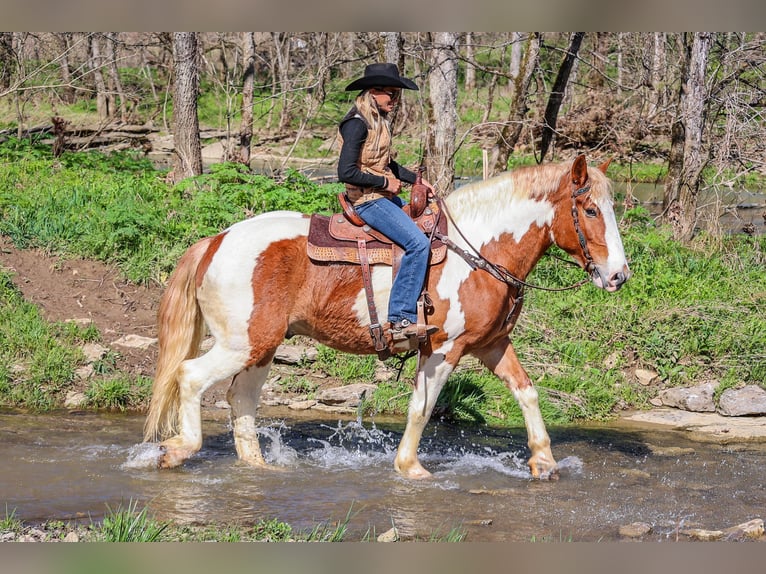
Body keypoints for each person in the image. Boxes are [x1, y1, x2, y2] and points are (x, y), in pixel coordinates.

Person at [337, 62, 437, 342]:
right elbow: (345, 172)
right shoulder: (356, 124)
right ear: (373, 92)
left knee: (432, 221)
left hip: (381, 194)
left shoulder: (376, 120)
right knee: (418, 244)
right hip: (367, 200)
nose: (395, 99)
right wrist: (384, 184)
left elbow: (385, 164)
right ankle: (400, 318)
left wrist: (415, 179)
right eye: (390, 94)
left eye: (397, 94)